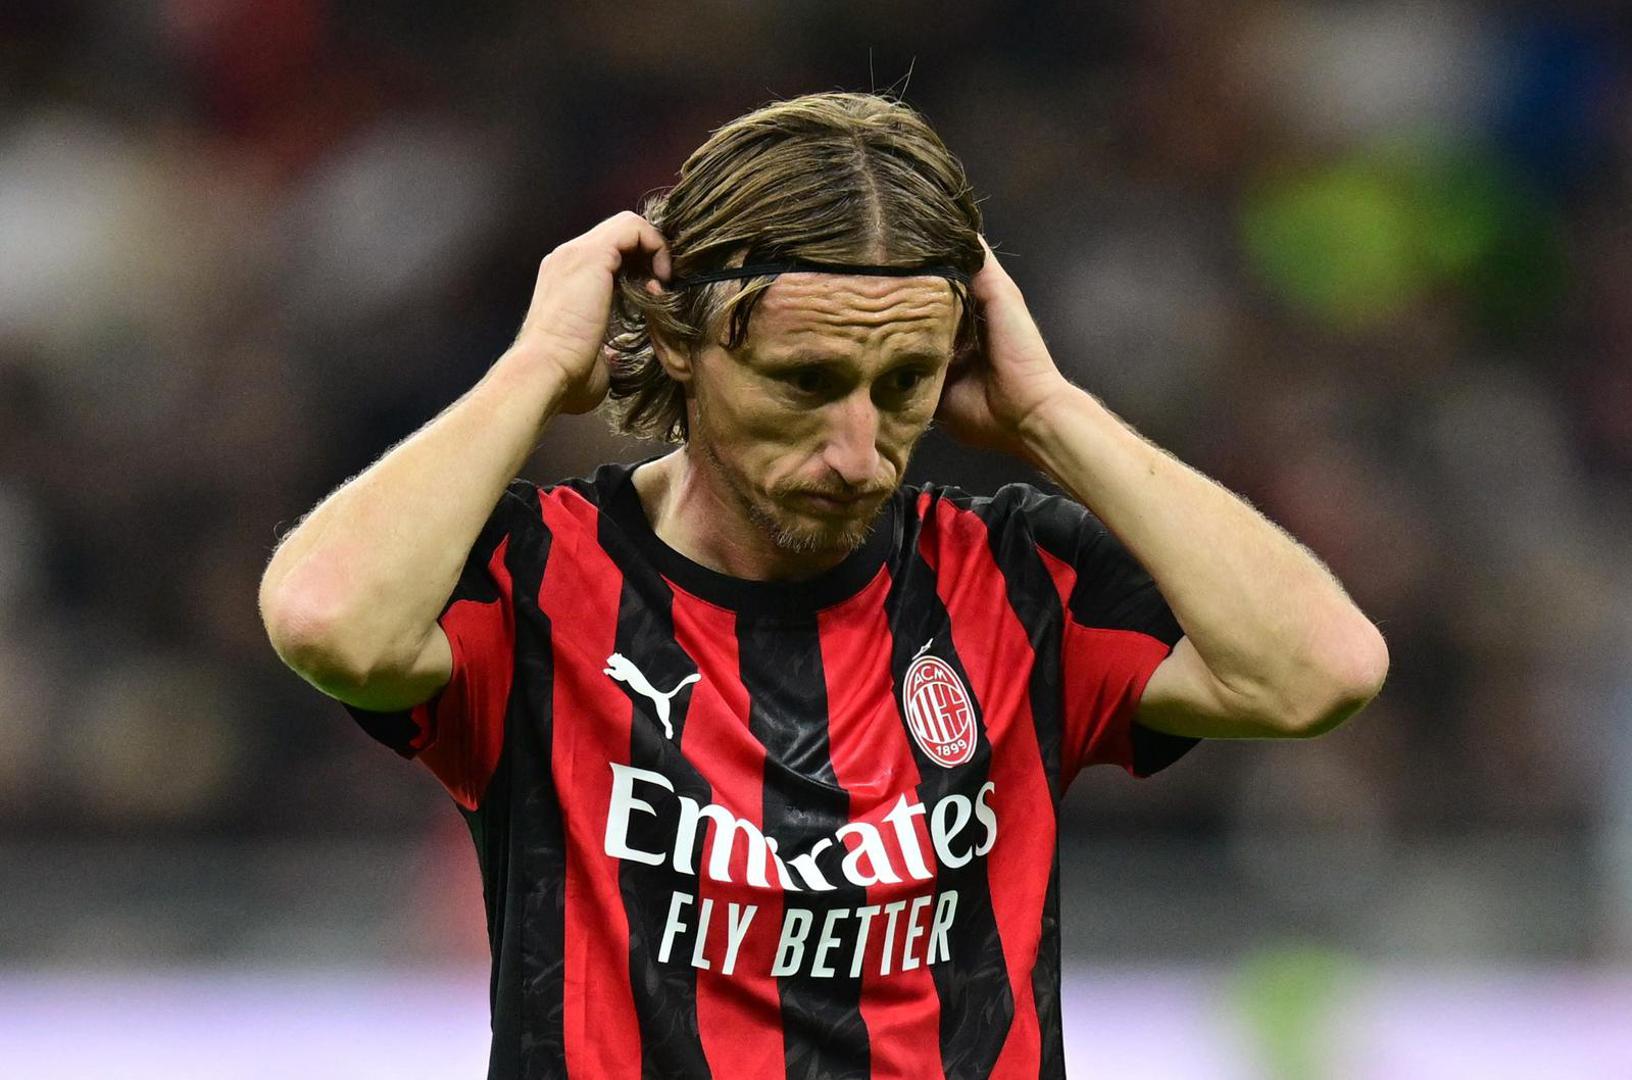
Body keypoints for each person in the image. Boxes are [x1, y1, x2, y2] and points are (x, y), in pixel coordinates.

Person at [259, 91, 1387, 1079]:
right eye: (806, 380)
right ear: (681, 342)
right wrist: (534, 368)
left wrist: (1052, 414)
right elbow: (329, 623)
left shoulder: (1017, 580)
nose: (858, 451)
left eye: (904, 383)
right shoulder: (539, 578)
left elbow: (1315, 673)